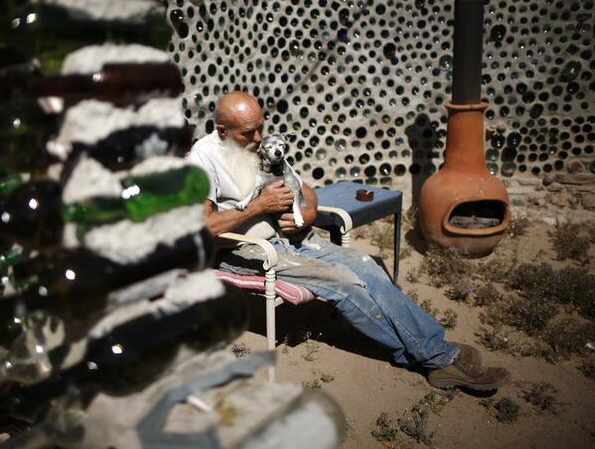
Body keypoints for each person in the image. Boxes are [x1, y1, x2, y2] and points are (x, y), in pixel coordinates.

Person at [187, 91, 510, 391]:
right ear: (222, 130)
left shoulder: (259, 147)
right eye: (248, 132)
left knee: (365, 265)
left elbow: (303, 186)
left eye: (260, 128)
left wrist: (309, 212)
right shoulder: (203, 159)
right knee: (344, 282)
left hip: (295, 239)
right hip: (251, 253)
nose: (257, 138)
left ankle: (432, 352)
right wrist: (258, 207)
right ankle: (437, 358)